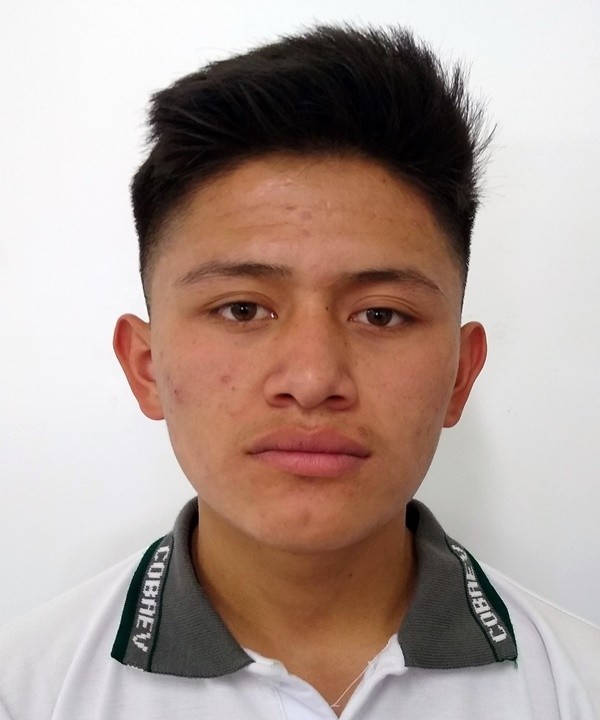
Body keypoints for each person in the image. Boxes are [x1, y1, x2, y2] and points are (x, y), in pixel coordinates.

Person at [0, 24, 598, 720]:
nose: (313, 380)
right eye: (243, 309)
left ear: (461, 376)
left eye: (381, 315)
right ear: (146, 366)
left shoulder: (579, 688)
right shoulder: (27, 691)